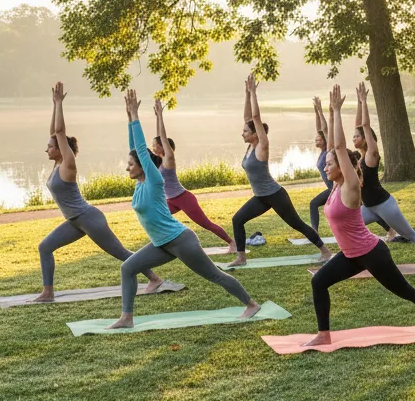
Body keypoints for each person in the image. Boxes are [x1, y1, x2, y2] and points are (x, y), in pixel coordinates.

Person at [303, 85, 415, 347]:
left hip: (372, 253)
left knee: (405, 292)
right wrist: (329, 114)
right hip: (351, 255)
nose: (325, 167)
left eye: (330, 164)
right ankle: (323, 334)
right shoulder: (334, 186)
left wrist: (339, 111)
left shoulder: (350, 186)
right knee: (319, 281)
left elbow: (339, 147)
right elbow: (333, 146)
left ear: (343, 167)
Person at [106, 90, 260, 330]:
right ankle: (127, 317)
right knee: (128, 267)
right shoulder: (139, 183)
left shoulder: (154, 180)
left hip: (180, 240)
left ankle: (251, 304)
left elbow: (140, 150)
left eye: (130, 164)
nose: (127, 168)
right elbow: (134, 148)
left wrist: (136, 117)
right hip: (161, 243)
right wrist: (129, 118)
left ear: (143, 166)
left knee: (214, 275)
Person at [35, 81, 162, 301]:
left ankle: (154, 278)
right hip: (75, 221)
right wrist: (54, 106)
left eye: (50, 146)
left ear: (60, 150)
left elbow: (59, 132)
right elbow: (54, 134)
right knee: (45, 247)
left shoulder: (67, 164)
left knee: (120, 253)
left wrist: (59, 103)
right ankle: (48, 292)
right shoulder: (56, 164)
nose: (46, 148)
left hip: (89, 218)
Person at [226, 76, 330, 266]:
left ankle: (325, 251)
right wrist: (247, 94)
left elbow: (255, 118)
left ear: (256, 134)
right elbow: (248, 118)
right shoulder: (250, 147)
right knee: (237, 219)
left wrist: (254, 93)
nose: (242, 133)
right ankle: (241, 257)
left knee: (296, 224)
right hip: (260, 197)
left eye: (246, 132)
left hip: (275, 195)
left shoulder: (262, 146)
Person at [352, 82, 415, 270]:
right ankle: (361, 259)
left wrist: (364, 101)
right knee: (351, 225)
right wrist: (359, 105)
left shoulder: (372, 154)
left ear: (366, 138)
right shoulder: (360, 157)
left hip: (384, 205)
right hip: (369, 207)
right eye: (353, 136)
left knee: (409, 233)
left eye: (356, 136)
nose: (353, 138)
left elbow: (365, 125)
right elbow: (358, 125)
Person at [151, 99, 235, 250]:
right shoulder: (161, 159)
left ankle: (232, 242)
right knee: (157, 217)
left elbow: (162, 137)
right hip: (171, 200)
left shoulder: (169, 159)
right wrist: (157, 115)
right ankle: (166, 243)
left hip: (183, 198)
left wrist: (161, 116)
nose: (153, 146)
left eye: (155, 144)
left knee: (206, 224)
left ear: (164, 146)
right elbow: (159, 136)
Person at [309, 95, 333, 234]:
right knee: (364, 206)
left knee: (365, 206)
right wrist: (316, 112)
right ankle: (315, 232)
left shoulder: (329, 150)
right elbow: (319, 128)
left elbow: (324, 130)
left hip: (336, 188)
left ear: (324, 140)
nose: (316, 140)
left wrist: (321, 112)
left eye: (318, 139)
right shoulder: (323, 151)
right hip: (332, 188)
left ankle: (314, 232)